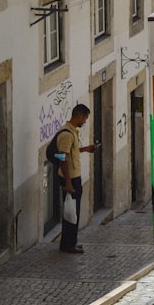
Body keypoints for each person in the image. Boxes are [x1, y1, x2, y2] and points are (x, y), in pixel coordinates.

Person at [56, 104, 96, 254]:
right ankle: (67, 245)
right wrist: (67, 182)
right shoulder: (67, 134)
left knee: (74, 212)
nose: (85, 121)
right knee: (71, 213)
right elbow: (62, 156)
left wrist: (85, 149)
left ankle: (71, 242)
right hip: (70, 179)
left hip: (73, 178)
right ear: (79, 116)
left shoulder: (72, 132)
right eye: (85, 118)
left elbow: (70, 152)